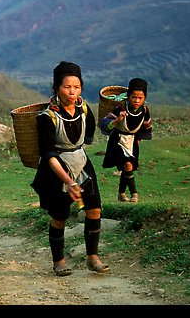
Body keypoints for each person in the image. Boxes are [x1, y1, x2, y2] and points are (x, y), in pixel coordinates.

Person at [31, 61, 110, 276]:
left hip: (81, 162)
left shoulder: (84, 110)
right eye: (67, 87)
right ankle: (59, 261)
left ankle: (92, 256)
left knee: (94, 209)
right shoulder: (46, 118)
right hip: (57, 170)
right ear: (57, 88)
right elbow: (49, 156)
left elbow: (89, 137)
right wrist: (68, 180)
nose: (72, 92)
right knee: (60, 217)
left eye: (76, 87)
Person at [99, 78, 152, 203]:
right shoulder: (121, 108)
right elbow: (105, 123)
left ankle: (121, 194)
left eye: (140, 98)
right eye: (134, 97)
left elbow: (146, 126)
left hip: (133, 142)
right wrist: (117, 120)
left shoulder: (144, 110)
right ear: (128, 96)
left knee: (127, 167)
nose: (137, 100)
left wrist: (139, 139)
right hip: (118, 140)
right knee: (128, 165)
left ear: (144, 98)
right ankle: (134, 193)